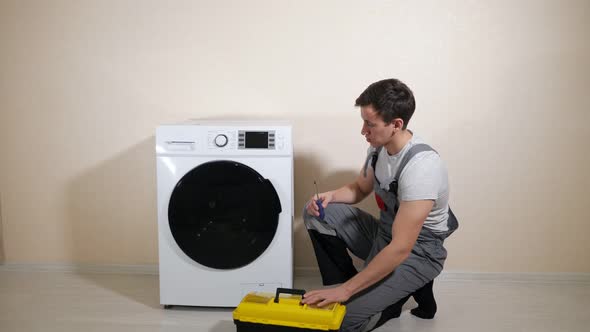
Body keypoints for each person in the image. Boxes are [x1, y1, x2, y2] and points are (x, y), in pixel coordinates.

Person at [300, 78, 458, 332]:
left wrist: (346, 293)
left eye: (370, 124)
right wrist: (329, 196)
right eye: (363, 122)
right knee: (318, 213)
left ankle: (390, 296)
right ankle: (349, 286)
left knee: (340, 321)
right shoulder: (378, 149)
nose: (363, 131)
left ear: (396, 124)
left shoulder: (422, 168)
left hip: (416, 251)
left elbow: (400, 248)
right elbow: (359, 188)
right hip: (384, 235)